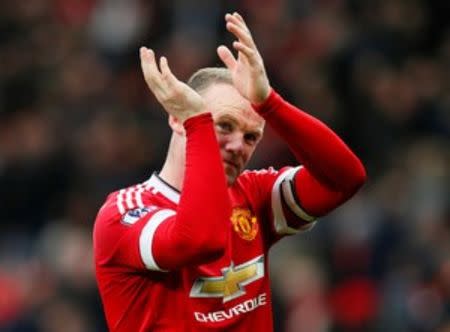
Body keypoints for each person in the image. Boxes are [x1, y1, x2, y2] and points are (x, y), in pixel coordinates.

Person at [93, 12, 366, 332]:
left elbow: (345, 179)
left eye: (252, 136)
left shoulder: (255, 195)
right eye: (222, 125)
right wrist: (198, 124)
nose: (239, 145)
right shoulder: (123, 213)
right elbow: (198, 239)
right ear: (178, 119)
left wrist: (270, 104)